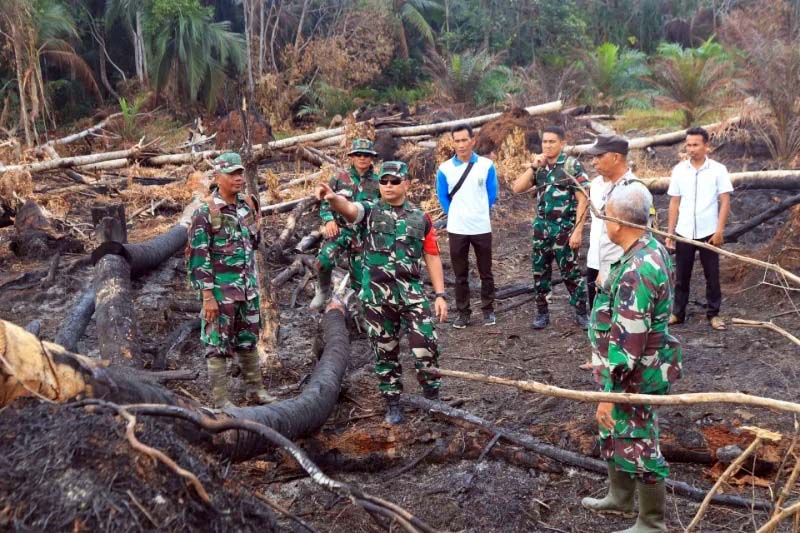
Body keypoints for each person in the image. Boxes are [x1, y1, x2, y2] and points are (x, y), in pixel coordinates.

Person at [582, 181, 682, 533]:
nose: (604, 222)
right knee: (614, 430)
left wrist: (610, 394)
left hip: (631, 375)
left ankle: (651, 522)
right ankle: (620, 497)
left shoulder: (639, 268)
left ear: (620, 223)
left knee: (638, 437)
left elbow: (628, 346)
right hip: (620, 368)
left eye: (606, 216)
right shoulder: (646, 248)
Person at [317, 161, 448, 425]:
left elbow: (431, 255)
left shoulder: (420, 217)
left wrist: (440, 294)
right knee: (384, 351)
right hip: (377, 297)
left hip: (411, 294)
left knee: (426, 344)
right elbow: (351, 210)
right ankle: (393, 402)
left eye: (394, 181)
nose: (388, 186)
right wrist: (333, 200)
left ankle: (432, 398)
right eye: (384, 181)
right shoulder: (371, 210)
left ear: (406, 184)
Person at [187, 152, 275, 409]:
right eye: (232, 174)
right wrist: (207, 297)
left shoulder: (247, 206)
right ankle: (222, 401)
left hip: (247, 290)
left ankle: (255, 390)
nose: (238, 178)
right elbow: (198, 258)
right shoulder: (205, 212)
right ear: (218, 177)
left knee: (248, 340)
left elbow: (254, 242)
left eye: (240, 173)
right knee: (216, 345)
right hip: (220, 293)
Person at [512, 125, 589, 329]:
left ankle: (582, 312)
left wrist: (578, 230)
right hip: (541, 228)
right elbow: (517, 188)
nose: (547, 145)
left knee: (571, 272)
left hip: (564, 228)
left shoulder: (571, 165)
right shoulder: (540, 168)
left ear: (562, 143)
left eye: (552, 141)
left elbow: (584, 199)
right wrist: (533, 167)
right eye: (544, 141)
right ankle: (542, 313)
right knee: (540, 272)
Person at [665, 126, 733, 331]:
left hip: (709, 232)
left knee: (712, 275)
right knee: (682, 275)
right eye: (688, 145)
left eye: (696, 145)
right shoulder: (679, 170)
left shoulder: (718, 170)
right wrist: (670, 233)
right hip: (684, 232)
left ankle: (714, 314)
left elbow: (725, 200)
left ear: (706, 146)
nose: (691, 149)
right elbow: (674, 203)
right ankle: (678, 313)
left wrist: (719, 230)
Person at [436, 124, 498, 328]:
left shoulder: (486, 165)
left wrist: (478, 210)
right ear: (452, 142)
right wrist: (455, 213)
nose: (461, 145)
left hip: (481, 226)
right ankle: (463, 313)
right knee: (460, 273)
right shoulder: (444, 169)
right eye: (457, 141)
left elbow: (491, 194)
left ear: (473, 140)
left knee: (485, 271)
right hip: (457, 228)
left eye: (465, 140)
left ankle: (488, 310)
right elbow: (443, 196)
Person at [310, 138, 381, 311]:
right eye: (358, 155)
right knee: (323, 261)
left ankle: (363, 312)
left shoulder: (379, 182)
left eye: (366, 155)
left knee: (362, 278)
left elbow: (383, 210)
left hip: (364, 235)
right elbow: (325, 202)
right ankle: (323, 290)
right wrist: (328, 220)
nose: (362, 158)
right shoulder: (339, 178)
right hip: (341, 230)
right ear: (352, 157)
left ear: (372, 158)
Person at [583, 134, 633, 310]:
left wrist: (608, 269)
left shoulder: (632, 190)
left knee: (620, 316)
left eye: (599, 156)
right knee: (597, 315)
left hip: (619, 266)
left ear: (616, 157)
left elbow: (637, 237)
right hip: (595, 260)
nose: (594, 162)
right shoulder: (596, 184)